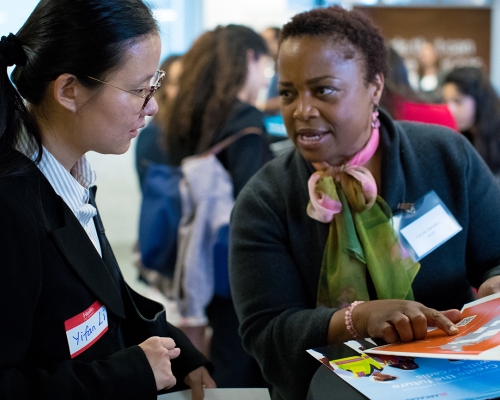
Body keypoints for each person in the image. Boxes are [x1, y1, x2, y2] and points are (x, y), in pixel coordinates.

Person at [228, 6, 500, 400]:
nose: (302, 110)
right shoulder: (265, 200)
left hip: (459, 383)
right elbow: (267, 334)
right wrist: (356, 319)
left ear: (375, 86)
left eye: (323, 90)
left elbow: (495, 255)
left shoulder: (445, 157)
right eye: (288, 93)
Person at [0, 0, 215, 399]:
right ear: (69, 90)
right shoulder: (11, 208)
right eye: (139, 90)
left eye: (153, 86)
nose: (151, 107)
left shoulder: (69, 174)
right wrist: (129, 373)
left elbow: (104, 292)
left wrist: (178, 350)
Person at [165, 24, 273, 388]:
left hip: (194, 255)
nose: (265, 78)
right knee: (239, 360)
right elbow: (252, 198)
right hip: (236, 261)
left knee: (222, 350)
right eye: (265, 66)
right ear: (249, 58)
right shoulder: (246, 120)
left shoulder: (189, 116)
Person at [381, 46, 457, 130]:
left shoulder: (441, 76)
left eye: (427, 54)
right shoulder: (418, 78)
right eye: (423, 55)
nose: (425, 58)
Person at [442, 66, 500, 175]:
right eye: (446, 101)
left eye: (458, 101)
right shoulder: (463, 135)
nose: (450, 109)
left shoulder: (495, 137)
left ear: (479, 100)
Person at [135, 54, 182, 188]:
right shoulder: (152, 136)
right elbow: (156, 196)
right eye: (176, 83)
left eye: (188, 82)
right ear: (164, 88)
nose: (183, 89)